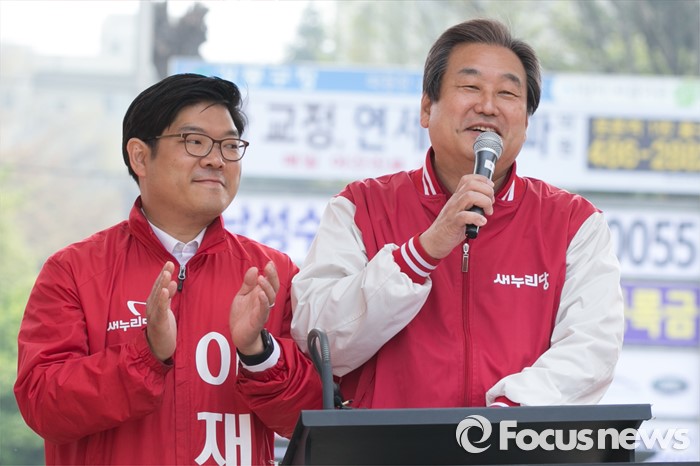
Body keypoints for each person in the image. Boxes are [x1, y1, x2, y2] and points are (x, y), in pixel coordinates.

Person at [291, 18, 624, 409]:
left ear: (526, 122)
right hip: (387, 440)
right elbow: (321, 340)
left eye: (507, 93)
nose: (488, 106)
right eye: (470, 87)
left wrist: (505, 421)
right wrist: (422, 253)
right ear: (426, 108)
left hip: (513, 438)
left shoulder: (573, 223)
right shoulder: (360, 207)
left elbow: (591, 348)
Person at [14, 73, 322, 465]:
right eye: (195, 141)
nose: (216, 159)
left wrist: (258, 352)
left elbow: (312, 417)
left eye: (230, 146)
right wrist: (147, 354)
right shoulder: (73, 271)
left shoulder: (271, 276)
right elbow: (43, 405)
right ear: (140, 156)